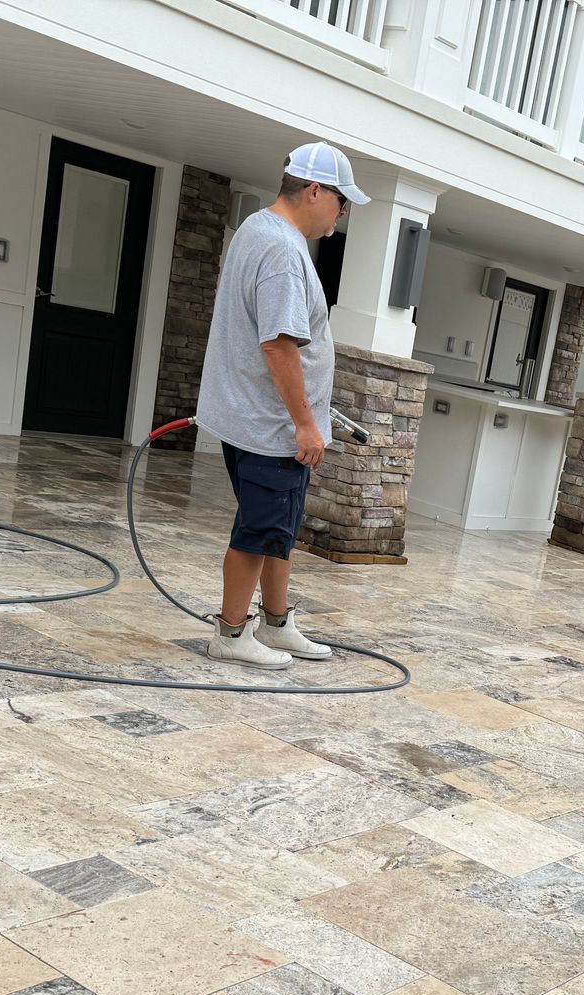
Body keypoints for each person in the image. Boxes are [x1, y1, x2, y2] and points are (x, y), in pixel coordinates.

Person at [196, 141, 369, 668]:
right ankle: (230, 634)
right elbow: (278, 342)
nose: (341, 217)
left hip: (252, 417)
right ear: (315, 191)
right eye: (342, 204)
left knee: (277, 530)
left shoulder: (256, 228)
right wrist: (305, 424)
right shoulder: (282, 252)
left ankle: (274, 624)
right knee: (257, 531)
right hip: (271, 425)